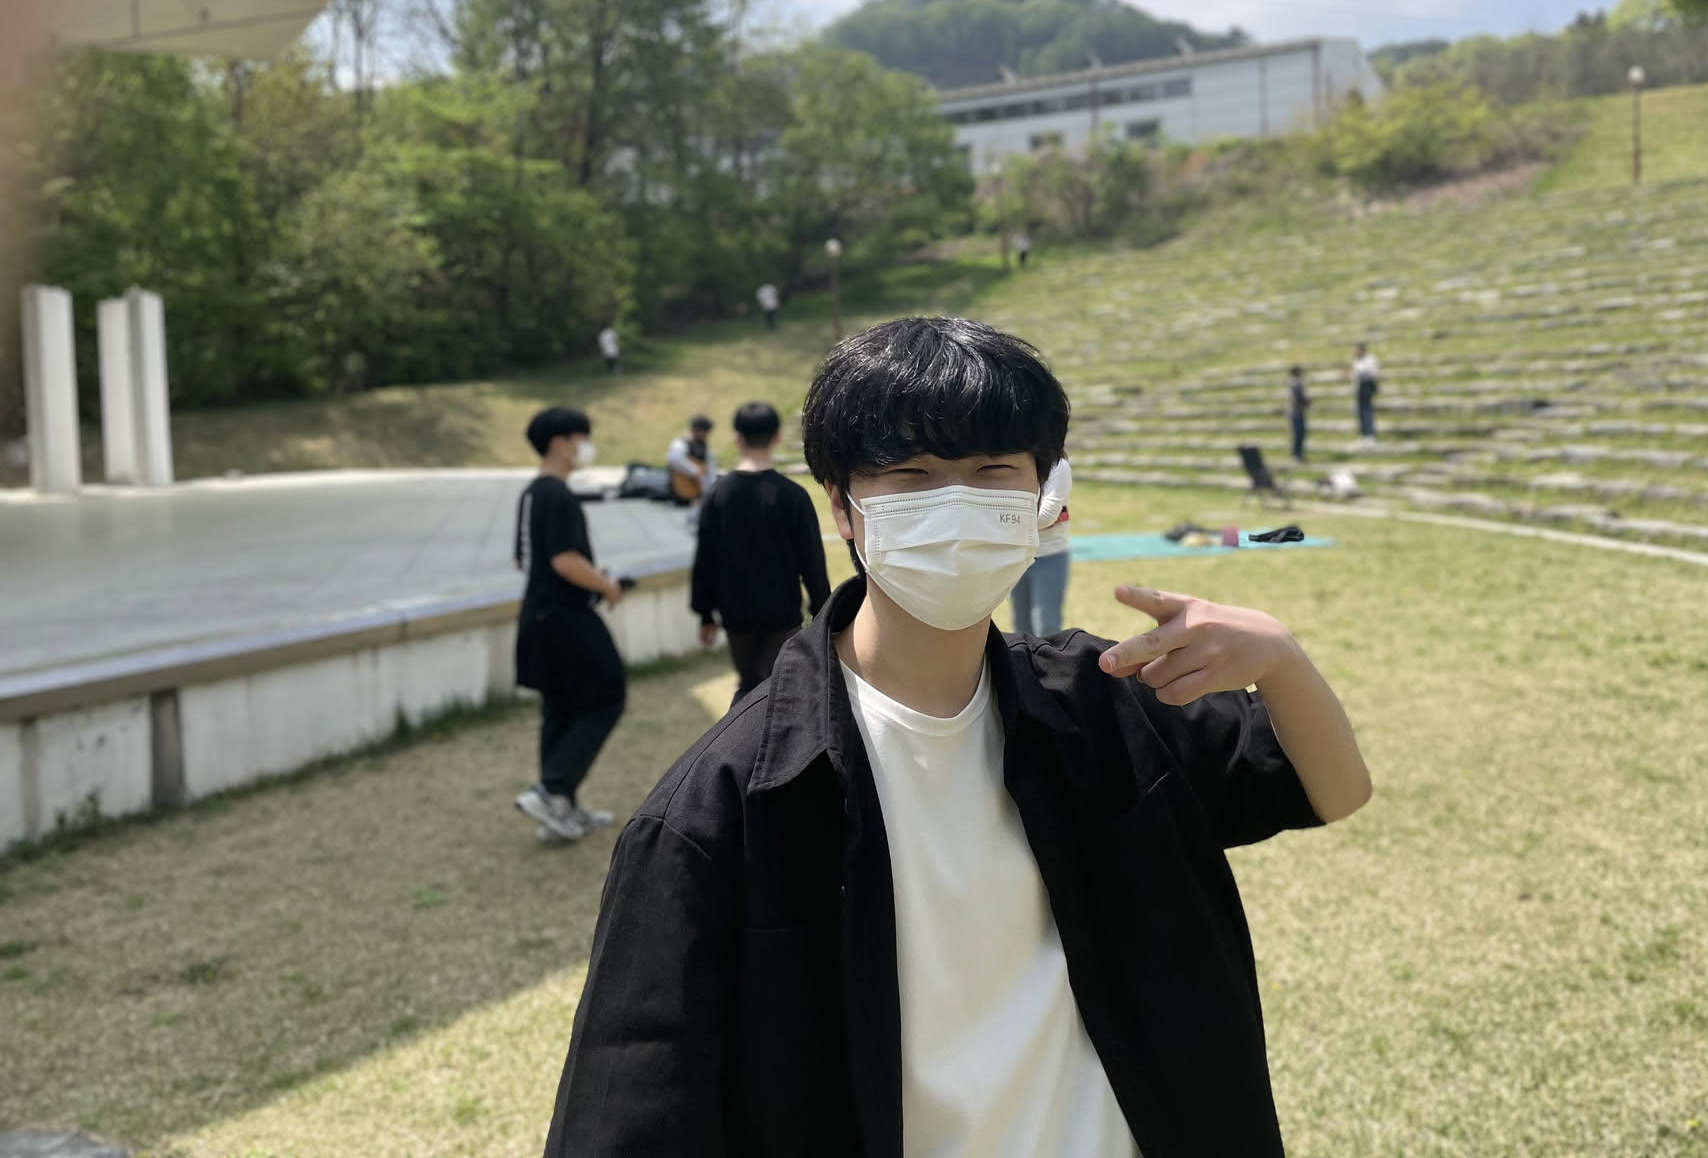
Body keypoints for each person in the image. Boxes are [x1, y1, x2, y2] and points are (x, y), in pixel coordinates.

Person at [544, 316, 1371, 1157]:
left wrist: (1281, 659)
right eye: (911, 474)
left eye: (991, 471)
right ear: (842, 506)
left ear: (1043, 495)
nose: (956, 505)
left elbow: (1332, 791)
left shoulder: (1104, 703)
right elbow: (626, 1117)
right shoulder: (718, 810)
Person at [513, 407, 627, 845]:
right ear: (561, 442)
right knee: (606, 696)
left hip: (538, 615)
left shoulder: (532, 493)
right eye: (582, 438)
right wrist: (606, 585)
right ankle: (553, 790)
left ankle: (559, 807)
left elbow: (525, 559)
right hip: (565, 617)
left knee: (560, 708)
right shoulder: (557, 496)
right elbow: (565, 561)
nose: (586, 447)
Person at [690, 401, 832, 704]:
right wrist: (823, 613)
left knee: (748, 688)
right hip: (782, 613)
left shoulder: (717, 494)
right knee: (780, 693)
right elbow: (812, 561)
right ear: (777, 437)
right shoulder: (793, 495)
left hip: (736, 615)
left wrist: (705, 614)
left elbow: (705, 559)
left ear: (737, 439)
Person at [1009, 451, 1071, 634]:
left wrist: (1005, 519)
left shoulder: (1058, 466)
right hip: (1019, 555)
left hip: (1050, 555)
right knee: (1021, 629)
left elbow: (1046, 516)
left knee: (1046, 627)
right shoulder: (1013, 463)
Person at [665, 414, 715, 504]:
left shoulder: (706, 449)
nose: (707, 435)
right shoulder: (679, 444)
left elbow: (710, 472)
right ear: (697, 430)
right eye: (705, 432)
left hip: (698, 494)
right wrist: (694, 471)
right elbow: (675, 460)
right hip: (680, 493)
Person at [1351, 341, 1380, 447]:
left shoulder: (1370, 359)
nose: (1355, 352)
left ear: (1362, 350)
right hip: (1359, 388)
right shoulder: (1356, 361)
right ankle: (1364, 435)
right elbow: (1355, 376)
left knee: (1367, 412)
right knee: (1360, 413)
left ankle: (1370, 436)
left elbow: (1373, 374)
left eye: (1356, 350)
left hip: (1367, 388)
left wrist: (1360, 374)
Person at [1288, 364, 1311, 463]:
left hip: (1297, 412)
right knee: (1299, 434)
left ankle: (1298, 454)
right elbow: (1299, 398)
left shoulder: (1294, 383)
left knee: (1299, 434)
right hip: (1296, 412)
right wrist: (1307, 403)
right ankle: (1297, 455)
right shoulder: (1296, 383)